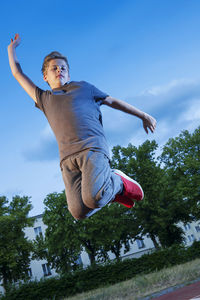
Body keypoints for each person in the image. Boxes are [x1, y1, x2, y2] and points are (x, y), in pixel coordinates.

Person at [7, 34, 156, 220]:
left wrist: (142, 115)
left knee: (94, 198)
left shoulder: (84, 88)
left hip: (91, 148)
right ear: (45, 76)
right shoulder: (44, 98)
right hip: (67, 160)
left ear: (69, 74)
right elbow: (17, 74)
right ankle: (108, 189)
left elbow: (113, 101)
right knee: (78, 212)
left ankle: (118, 182)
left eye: (63, 68)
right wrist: (11, 49)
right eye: (54, 68)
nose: (59, 70)